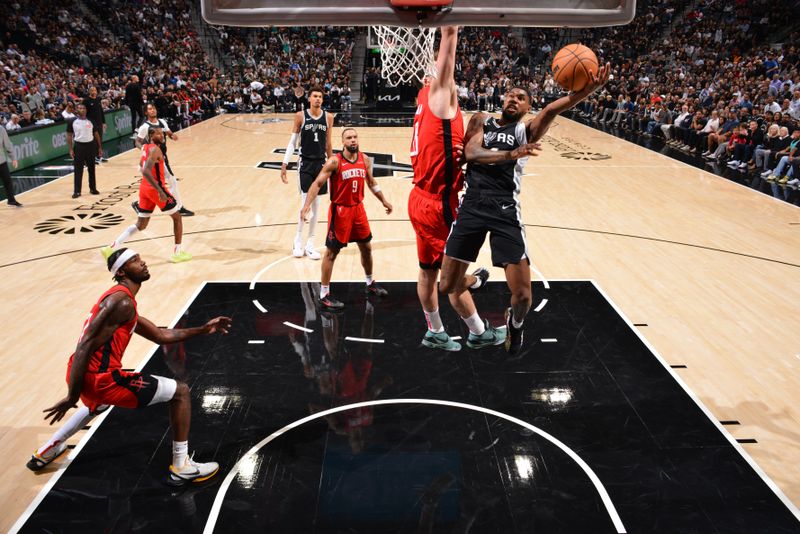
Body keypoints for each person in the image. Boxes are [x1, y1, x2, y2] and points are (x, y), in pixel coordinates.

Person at [439, 64, 610, 355]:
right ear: (502, 99)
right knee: (447, 286)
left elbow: (553, 110)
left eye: (521, 98)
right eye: (510, 95)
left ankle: (515, 324)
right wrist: (510, 154)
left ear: (528, 107)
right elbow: (471, 153)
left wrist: (586, 91)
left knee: (522, 297)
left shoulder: (526, 130)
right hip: (472, 207)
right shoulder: (482, 121)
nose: (513, 99)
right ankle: (476, 279)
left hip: (506, 211)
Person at [28, 248, 231, 486]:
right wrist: (71, 397)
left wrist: (204, 329)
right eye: (135, 261)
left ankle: (48, 449)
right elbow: (84, 346)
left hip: (87, 374)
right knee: (181, 392)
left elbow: (160, 335)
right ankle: (181, 465)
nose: (143, 263)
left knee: (99, 404)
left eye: (141, 258)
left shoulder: (122, 301)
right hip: (100, 378)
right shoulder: (121, 302)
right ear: (122, 271)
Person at [408, 26, 496, 353]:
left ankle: (435, 331)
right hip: (437, 205)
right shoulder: (439, 96)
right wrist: (451, 29)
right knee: (454, 278)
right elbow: (446, 60)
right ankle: (478, 331)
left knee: (427, 271)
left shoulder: (425, 99)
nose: (451, 75)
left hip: (418, 199)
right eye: (447, 71)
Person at [300, 127, 392, 309]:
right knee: (332, 252)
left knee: (366, 247)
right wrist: (306, 206)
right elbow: (317, 183)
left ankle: (370, 283)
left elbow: (371, 182)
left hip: (358, 210)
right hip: (340, 211)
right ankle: (324, 294)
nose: (353, 140)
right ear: (343, 142)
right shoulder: (334, 161)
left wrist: (384, 200)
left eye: (355, 137)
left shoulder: (365, 159)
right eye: (349, 138)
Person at [101, 127, 192, 263]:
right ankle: (177, 253)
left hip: (144, 188)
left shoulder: (145, 148)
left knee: (141, 224)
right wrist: (160, 191)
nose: (162, 135)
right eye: (158, 133)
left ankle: (112, 247)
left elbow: (140, 165)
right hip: (155, 189)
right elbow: (145, 170)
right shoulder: (155, 149)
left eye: (162, 133)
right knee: (177, 217)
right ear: (151, 135)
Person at [281, 87, 334, 259]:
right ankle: (297, 240)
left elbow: (328, 143)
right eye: (315, 96)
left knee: (317, 206)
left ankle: (310, 243)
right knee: (306, 204)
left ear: (322, 100)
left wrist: (332, 162)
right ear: (309, 99)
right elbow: (292, 142)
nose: (317, 99)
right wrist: (284, 163)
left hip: (321, 164)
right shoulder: (300, 116)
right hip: (305, 163)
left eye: (320, 96)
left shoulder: (328, 117)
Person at [136, 102, 195, 217]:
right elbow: (137, 141)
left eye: (153, 108)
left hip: (162, 156)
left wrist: (172, 136)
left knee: (155, 183)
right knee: (172, 180)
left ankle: (138, 203)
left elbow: (168, 132)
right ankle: (179, 207)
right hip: (154, 158)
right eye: (150, 109)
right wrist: (144, 149)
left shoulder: (162, 122)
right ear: (145, 112)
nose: (153, 110)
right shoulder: (145, 127)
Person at [67, 103, 102, 198]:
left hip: (90, 145)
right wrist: (70, 149)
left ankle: (93, 188)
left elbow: (96, 134)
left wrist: (99, 147)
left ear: (86, 110)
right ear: (76, 110)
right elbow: (69, 135)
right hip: (79, 146)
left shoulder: (91, 121)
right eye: (79, 108)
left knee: (92, 168)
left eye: (83, 108)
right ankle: (77, 191)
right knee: (78, 170)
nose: (81, 109)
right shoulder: (72, 121)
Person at [83, 86, 107, 163]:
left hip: (99, 122)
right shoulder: (86, 101)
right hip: (90, 124)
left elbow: (101, 111)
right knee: (93, 141)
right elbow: (84, 113)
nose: (94, 91)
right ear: (89, 91)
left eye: (95, 90)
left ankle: (99, 156)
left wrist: (103, 122)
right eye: (92, 90)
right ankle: (93, 157)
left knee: (99, 140)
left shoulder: (98, 99)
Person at [0, 125, 21, 206]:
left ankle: (11, 200)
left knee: (7, 181)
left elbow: (7, 144)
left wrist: (14, 158)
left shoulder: (1, 129)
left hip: (1, 161)